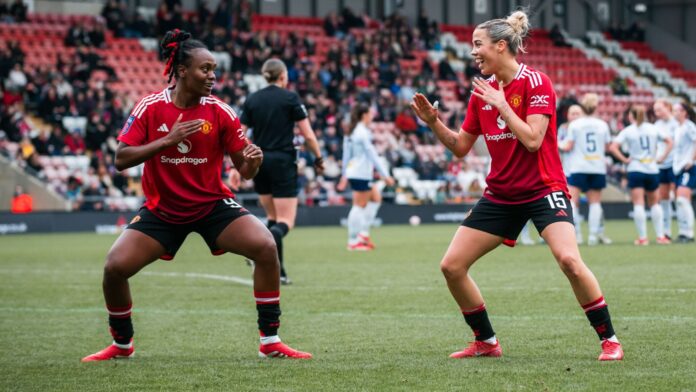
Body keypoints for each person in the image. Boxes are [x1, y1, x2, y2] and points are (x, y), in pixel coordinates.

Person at [81, 30, 311, 362]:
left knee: (265, 246)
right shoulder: (150, 107)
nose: (212, 76)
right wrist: (166, 141)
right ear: (182, 71)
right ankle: (121, 345)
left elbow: (244, 171)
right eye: (205, 69)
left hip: (212, 206)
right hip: (163, 211)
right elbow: (120, 159)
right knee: (114, 267)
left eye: (214, 69)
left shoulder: (221, 112)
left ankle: (270, 340)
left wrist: (252, 164)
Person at [410, 10, 623, 361]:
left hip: (544, 189)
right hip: (501, 194)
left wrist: (503, 105)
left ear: (501, 45)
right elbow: (461, 147)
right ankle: (486, 342)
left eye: (478, 45)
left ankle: (610, 339)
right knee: (451, 266)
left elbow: (534, 141)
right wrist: (434, 123)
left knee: (569, 260)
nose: (473, 52)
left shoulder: (537, 82)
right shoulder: (482, 93)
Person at [240, 58, 324, 285]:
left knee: (273, 218)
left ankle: (279, 272)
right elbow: (307, 135)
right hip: (283, 161)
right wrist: (318, 158)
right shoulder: (290, 98)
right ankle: (254, 249)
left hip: (259, 162)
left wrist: (237, 165)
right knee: (286, 221)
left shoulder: (253, 99)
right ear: (283, 76)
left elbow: (239, 134)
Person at [608, 104, 672, 245]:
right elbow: (669, 142)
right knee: (655, 203)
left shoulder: (628, 131)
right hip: (652, 169)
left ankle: (643, 238)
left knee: (638, 203)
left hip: (636, 168)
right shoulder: (653, 128)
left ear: (631, 115)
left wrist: (624, 159)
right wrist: (661, 157)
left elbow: (613, 147)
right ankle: (661, 236)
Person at [336, 103, 395, 250]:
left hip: (355, 172)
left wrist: (344, 174)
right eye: (370, 114)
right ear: (364, 115)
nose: (372, 116)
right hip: (361, 173)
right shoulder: (362, 132)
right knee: (359, 205)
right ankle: (353, 241)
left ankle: (362, 234)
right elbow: (372, 155)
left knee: (376, 198)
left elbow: (346, 155)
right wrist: (385, 175)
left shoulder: (353, 131)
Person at [561, 94, 613, 246]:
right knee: (595, 203)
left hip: (578, 167)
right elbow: (607, 147)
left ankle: (577, 236)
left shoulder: (575, 125)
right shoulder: (602, 124)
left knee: (573, 202)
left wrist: (556, 144)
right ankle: (593, 236)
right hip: (597, 167)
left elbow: (568, 146)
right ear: (596, 107)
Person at [653, 100, 679, 240]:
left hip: (675, 163)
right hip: (661, 165)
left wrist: (664, 156)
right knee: (664, 198)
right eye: (655, 110)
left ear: (668, 107)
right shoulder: (657, 125)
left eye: (659, 109)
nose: (657, 113)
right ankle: (666, 231)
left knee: (678, 196)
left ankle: (684, 230)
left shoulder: (676, 124)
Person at [671, 102, 696, 243]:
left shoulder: (689, 126)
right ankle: (682, 231)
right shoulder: (677, 128)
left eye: (677, 110)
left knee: (682, 199)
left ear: (684, 112)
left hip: (688, 167)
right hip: (678, 168)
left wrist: (691, 160)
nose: (674, 113)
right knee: (679, 201)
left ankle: (689, 233)